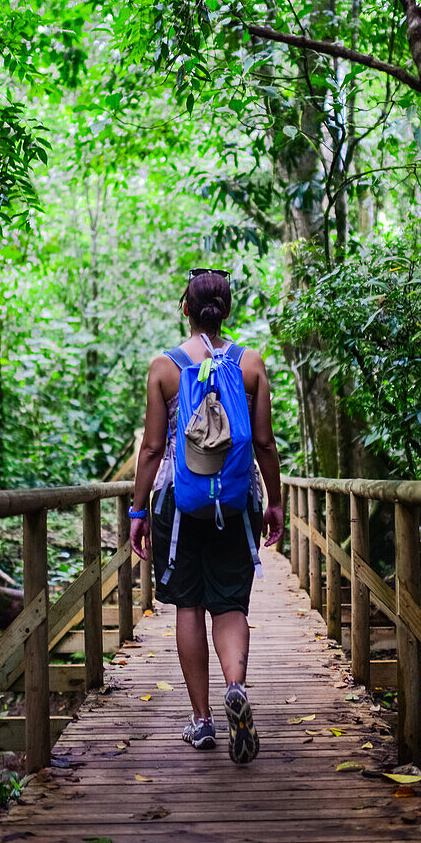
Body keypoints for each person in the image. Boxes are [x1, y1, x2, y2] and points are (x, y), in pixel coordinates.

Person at [129, 268, 284, 764]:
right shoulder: (251, 364)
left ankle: (201, 722)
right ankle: (235, 686)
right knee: (231, 604)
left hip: (180, 502)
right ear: (227, 310)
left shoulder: (164, 368)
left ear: (186, 310)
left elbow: (153, 448)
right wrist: (274, 502)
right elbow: (263, 442)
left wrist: (138, 510)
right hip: (237, 501)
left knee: (189, 606)